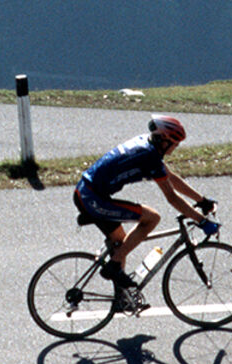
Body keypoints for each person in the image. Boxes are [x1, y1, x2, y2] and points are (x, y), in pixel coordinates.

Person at [72, 115, 219, 300]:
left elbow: (170, 177)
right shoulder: (149, 156)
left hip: (87, 192)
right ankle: (113, 267)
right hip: (92, 198)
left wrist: (202, 200)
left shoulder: (147, 145)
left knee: (122, 243)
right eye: (175, 144)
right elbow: (172, 197)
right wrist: (201, 220)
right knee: (152, 218)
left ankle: (121, 298)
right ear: (164, 140)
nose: (176, 148)